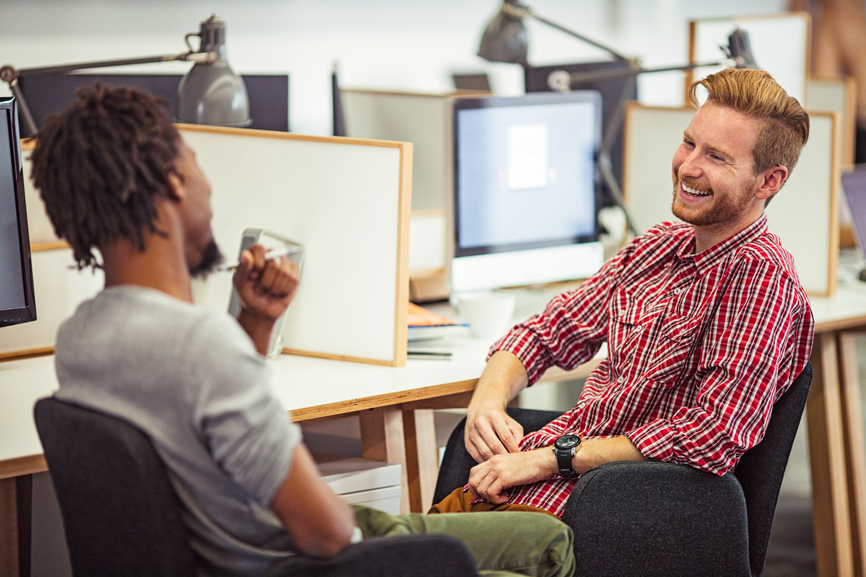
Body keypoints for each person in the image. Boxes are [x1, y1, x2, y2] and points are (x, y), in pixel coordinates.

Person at [30, 85, 575, 577]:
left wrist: (254, 322)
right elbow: (326, 532)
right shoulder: (201, 347)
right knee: (549, 545)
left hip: (230, 547)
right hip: (288, 557)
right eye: (196, 164)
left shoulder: (82, 338)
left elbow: (187, 416)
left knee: (539, 533)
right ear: (174, 182)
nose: (208, 189)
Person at [432, 68, 814, 516]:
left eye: (717, 157)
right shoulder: (655, 248)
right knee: (390, 544)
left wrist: (551, 458)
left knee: (389, 549)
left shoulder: (760, 280)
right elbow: (544, 333)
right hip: (534, 491)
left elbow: (711, 433)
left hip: (609, 513)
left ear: (768, 182)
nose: (688, 166)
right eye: (689, 143)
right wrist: (487, 405)